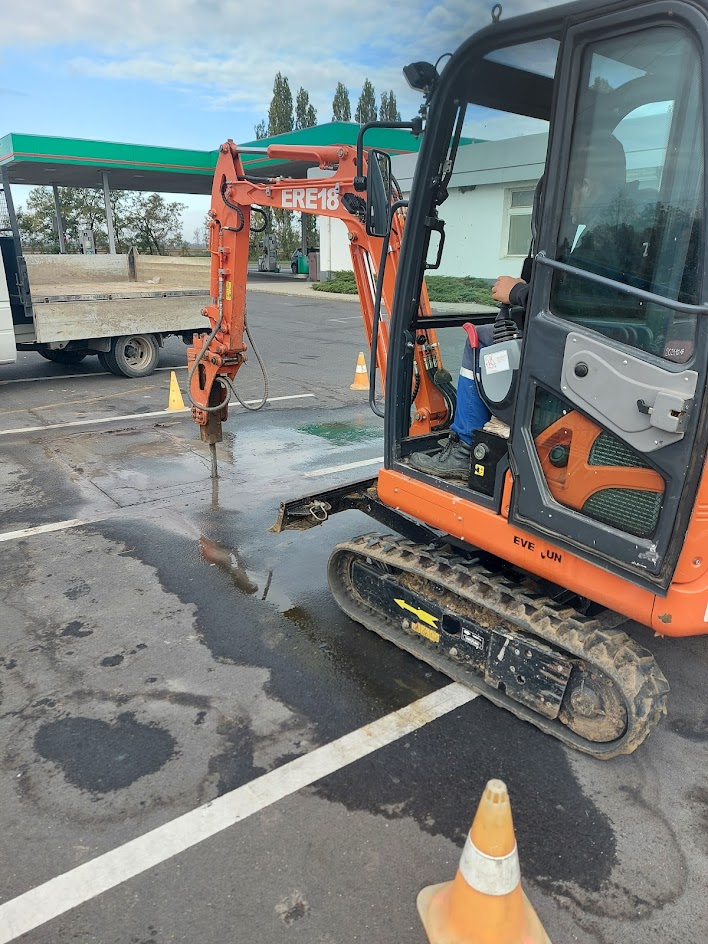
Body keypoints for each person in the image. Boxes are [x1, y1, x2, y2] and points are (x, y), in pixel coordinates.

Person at [408, 133, 629, 481]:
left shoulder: (604, 236)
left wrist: (519, 292)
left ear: (587, 186)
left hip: (586, 349)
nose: (569, 205)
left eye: (569, 193)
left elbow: (577, 299)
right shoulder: (626, 223)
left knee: (480, 341)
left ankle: (465, 447)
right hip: (606, 340)